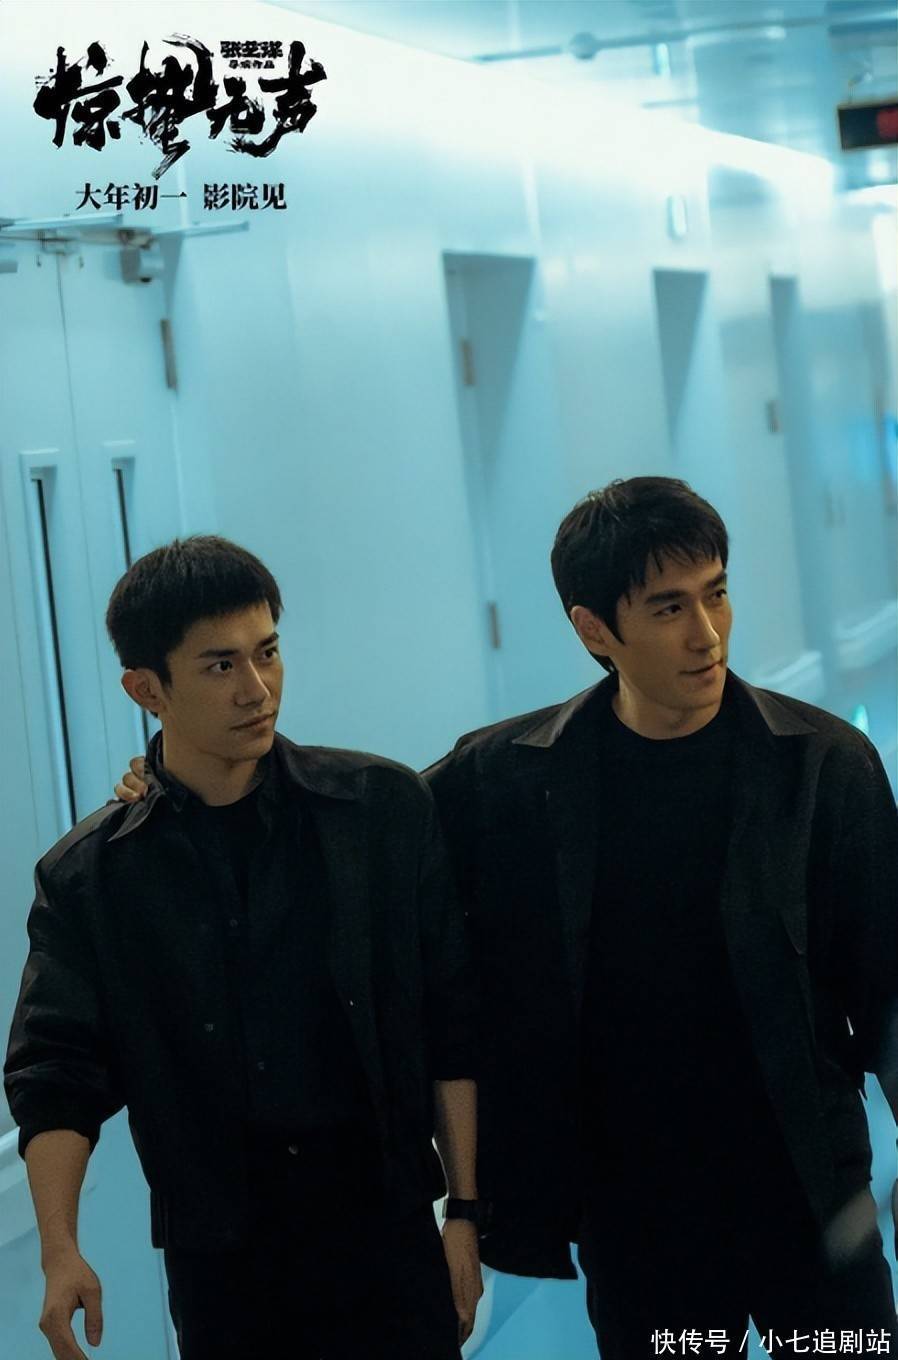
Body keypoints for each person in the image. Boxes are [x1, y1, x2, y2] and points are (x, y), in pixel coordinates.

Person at [424, 478, 898, 1356]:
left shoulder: (821, 767)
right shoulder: (511, 780)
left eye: (716, 593)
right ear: (594, 629)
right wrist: (165, 783)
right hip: (641, 1216)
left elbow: (888, 984)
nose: (707, 633)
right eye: (670, 607)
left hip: (811, 1193)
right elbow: (365, 839)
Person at [5, 535, 482, 1360]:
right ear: (147, 689)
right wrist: (60, 1249)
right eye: (221, 665)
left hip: (386, 1232)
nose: (258, 689)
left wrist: (465, 1213)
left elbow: (451, 1022)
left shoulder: (379, 813)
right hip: (225, 1267)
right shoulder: (95, 877)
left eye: (267, 653)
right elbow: (55, 1075)